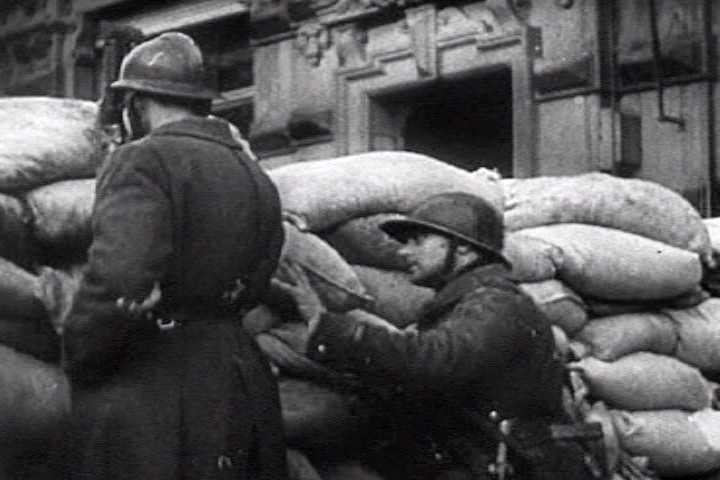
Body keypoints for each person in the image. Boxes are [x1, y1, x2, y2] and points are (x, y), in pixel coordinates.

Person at [53, 32, 287, 480]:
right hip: (240, 380)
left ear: (136, 102)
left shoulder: (142, 160)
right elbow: (258, 281)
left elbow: (120, 279)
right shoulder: (255, 174)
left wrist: (81, 355)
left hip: (157, 388)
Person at [275, 192, 601, 480]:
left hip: (510, 465)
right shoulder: (459, 307)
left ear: (461, 248)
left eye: (418, 241)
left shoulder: (496, 302)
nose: (404, 253)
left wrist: (327, 326)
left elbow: (436, 360)